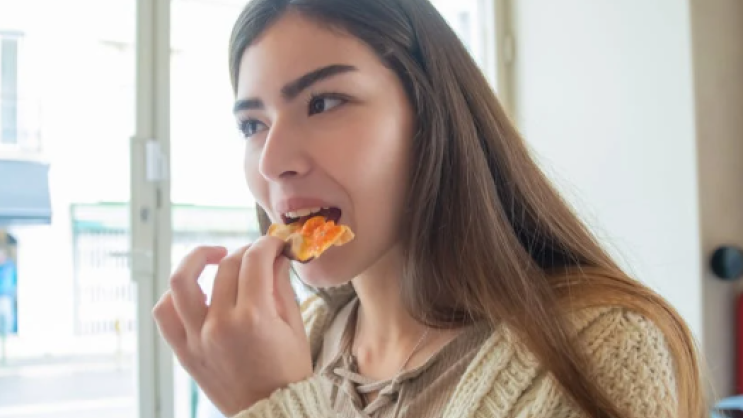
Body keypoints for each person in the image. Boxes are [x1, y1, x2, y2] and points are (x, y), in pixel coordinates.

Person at [153, 1, 707, 417]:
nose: (273, 161)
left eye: (323, 103)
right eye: (252, 125)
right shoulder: (302, 341)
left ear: (430, 117)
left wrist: (273, 404)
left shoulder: (601, 353)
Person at [0, 248, 18, 335]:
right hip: (2, 295)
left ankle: (9, 332)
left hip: (7, 295)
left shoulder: (9, 267)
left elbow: (14, 280)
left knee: (8, 315)